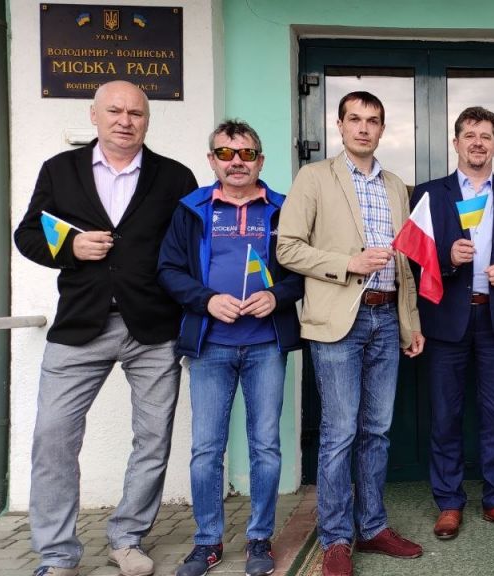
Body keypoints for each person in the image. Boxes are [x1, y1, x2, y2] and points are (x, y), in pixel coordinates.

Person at [13, 81, 198, 576]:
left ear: (147, 121)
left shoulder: (175, 177)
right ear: (94, 116)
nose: (125, 120)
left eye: (136, 113)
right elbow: (27, 235)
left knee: (153, 439)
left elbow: (191, 249)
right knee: (53, 437)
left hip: (153, 328)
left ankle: (127, 538)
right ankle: (57, 554)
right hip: (80, 325)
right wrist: (69, 248)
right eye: (114, 111)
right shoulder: (60, 170)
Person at [276, 91, 425, 576]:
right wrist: (348, 263)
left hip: (387, 319)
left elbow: (404, 263)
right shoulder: (314, 177)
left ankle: (373, 526)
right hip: (340, 319)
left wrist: (411, 324)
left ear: (382, 129)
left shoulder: (396, 185)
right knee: (339, 432)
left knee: (376, 431)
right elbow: (287, 249)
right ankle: (336, 538)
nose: (363, 127)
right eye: (355, 119)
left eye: (373, 120)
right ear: (339, 126)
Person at [157, 120, 304, 576]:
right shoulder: (191, 209)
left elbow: (304, 270)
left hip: (266, 346)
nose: (236, 162)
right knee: (206, 449)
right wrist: (206, 300)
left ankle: (260, 539)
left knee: (266, 448)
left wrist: (277, 296)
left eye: (246, 154)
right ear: (212, 160)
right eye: (225, 153)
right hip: (209, 346)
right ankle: (207, 542)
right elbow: (168, 269)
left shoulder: (283, 209)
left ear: (260, 160)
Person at [411, 107, 494, 539]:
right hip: (446, 319)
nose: (478, 143)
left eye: (486, 136)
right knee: (445, 415)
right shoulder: (431, 194)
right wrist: (446, 258)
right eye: (470, 135)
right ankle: (449, 503)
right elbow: (413, 257)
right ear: (456, 143)